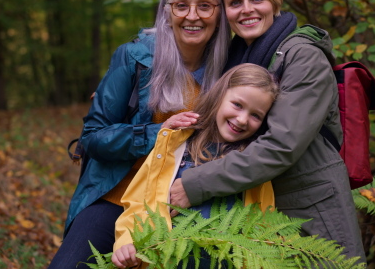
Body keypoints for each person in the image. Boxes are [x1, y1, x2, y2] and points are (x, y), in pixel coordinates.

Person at [170, 0, 367, 262]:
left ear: (274, 2)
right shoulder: (235, 57)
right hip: (259, 209)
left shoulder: (303, 57)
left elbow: (282, 145)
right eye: (235, 2)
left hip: (310, 210)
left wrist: (197, 184)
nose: (247, 9)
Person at [48, 0, 230, 268]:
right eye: (181, 5)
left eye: (205, 5)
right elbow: (92, 137)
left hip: (183, 203)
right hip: (118, 193)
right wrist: (157, 133)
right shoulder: (134, 58)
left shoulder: (231, 67)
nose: (193, 15)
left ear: (220, 13)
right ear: (166, 11)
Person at [111, 63, 278, 269]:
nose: (242, 119)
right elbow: (139, 202)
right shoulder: (176, 144)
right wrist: (127, 242)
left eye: (256, 115)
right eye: (237, 104)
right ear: (219, 96)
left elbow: (264, 228)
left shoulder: (253, 163)